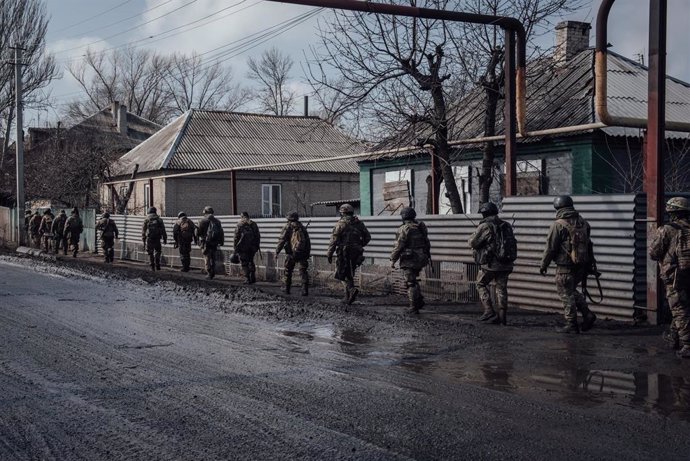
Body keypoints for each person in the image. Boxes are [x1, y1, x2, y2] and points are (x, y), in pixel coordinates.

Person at [540, 195, 598, 334]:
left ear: (558, 208)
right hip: (581, 265)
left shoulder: (558, 225)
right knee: (571, 291)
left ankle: (571, 324)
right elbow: (589, 245)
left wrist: (544, 264)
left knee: (566, 294)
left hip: (564, 267)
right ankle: (587, 315)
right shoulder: (583, 223)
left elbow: (550, 248)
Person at [649, 197, 690, 358]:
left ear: (672, 212)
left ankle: (687, 345)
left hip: (675, 276)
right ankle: (674, 337)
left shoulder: (667, 229)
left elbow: (654, 253)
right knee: (682, 307)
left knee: (679, 309)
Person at [468, 202, 516, 325]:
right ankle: (502, 317)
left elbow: (472, 243)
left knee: (480, 284)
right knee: (502, 288)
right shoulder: (506, 225)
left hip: (491, 264)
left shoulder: (485, 226)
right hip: (506, 262)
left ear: (485, 213)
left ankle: (489, 310)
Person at [327, 203, 371, 305]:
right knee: (350, 273)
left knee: (341, 273)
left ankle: (351, 290)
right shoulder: (359, 223)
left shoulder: (340, 224)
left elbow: (333, 240)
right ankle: (347, 297)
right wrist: (359, 245)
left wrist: (329, 253)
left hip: (344, 252)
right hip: (356, 253)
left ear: (342, 213)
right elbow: (368, 237)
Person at [390, 207, 430, 314]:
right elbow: (427, 242)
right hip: (421, 258)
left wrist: (393, 259)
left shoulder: (404, 228)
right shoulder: (420, 226)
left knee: (410, 282)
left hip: (409, 259)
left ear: (403, 216)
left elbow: (399, 246)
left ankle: (413, 307)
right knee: (413, 280)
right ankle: (419, 300)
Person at [276, 211, 311, 296]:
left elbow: (282, 240)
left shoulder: (287, 227)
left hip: (291, 253)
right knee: (303, 271)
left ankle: (287, 288)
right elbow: (307, 242)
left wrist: (277, 251)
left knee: (288, 271)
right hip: (302, 253)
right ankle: (304, 290)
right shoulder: (302, 227)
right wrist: (306, 253)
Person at [233, 211, 260, 284]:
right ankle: (253, 277)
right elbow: (258, 236)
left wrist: (235, 247)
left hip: (243, 248)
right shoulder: (254, 224)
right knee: (251, 261)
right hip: (252, 247)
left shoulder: (240, 225)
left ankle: (247, 278)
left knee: (244, 263)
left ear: (242, 217)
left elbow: (236, 237)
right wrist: (256, 246)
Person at [198, 206, 224, 279]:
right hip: (214, 243)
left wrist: (199, 241)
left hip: (206, 242)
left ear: (205, 212)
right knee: (213, 257)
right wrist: (221, 241)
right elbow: (221, 232)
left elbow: (198, 233)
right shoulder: (217, 221)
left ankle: (209, 273)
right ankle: (213, 272)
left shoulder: (202, 221)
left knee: (207, 258)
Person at [142, 207, 167, 271]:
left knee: (150, 252)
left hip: (149, 238)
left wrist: (143, 239)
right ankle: (157, 265)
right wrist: (165, 238)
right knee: (158, 251)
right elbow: (163, 230)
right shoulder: (159, 219)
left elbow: (143, 230)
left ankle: (152, 266)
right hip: (157, 238)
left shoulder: (146, 219)